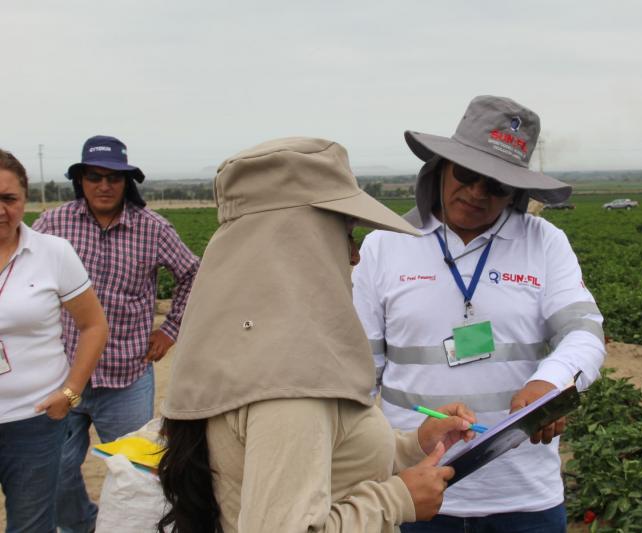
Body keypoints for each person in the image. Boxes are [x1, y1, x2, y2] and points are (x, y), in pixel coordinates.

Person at [158, 137, 478, 533]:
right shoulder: (292, 384)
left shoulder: (251, 347)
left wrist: (415, 446)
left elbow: (328, 462)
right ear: (299, 241)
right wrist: (397, 500)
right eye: (345, 233)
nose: (355, 254)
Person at [352, 95, 607, 532]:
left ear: (515, 190)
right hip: (415, 491)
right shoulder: (385, 246)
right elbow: (358, 374)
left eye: (496, 185)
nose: (476, 193)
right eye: (467, 175)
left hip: (524, 496)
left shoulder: (544, 243)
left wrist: (552, 380)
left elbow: (583, 332)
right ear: (441, 167)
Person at [32, 135, 200, 532]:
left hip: (127, 377)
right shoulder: (53, 225)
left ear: (128, 182)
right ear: (81, 180)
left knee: (134, 471)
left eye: (114, 178)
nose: (104, 186)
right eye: (94, 176)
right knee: (54, 470)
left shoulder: (153, 228)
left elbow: (194, 274)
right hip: (64, 373)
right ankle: (82, 525)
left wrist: (170, 331)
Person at [0, 149, 107, 532]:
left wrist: (71, 394)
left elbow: (94, 325)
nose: (0, 209)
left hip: (34, 421)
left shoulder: (52, 253)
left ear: (25, 199)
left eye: (8, 199)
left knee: (31, 525)